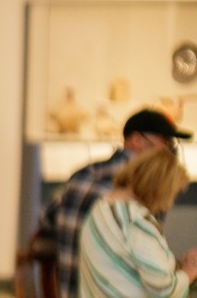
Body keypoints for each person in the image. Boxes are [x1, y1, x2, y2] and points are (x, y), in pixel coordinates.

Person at [39, 109, 193, 297]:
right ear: (137, 140)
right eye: (167, 143)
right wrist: (188, 270)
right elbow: (159, 281)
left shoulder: (81, 176)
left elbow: (46, 220)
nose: (171, 152)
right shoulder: (144, 194)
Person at [76, 147, 197, 297]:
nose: (168, 204)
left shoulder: (102, 207)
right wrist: (190, 271)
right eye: (171, 193)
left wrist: (176, 266)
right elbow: (163, 290)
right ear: (159, 188)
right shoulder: (137, 221)